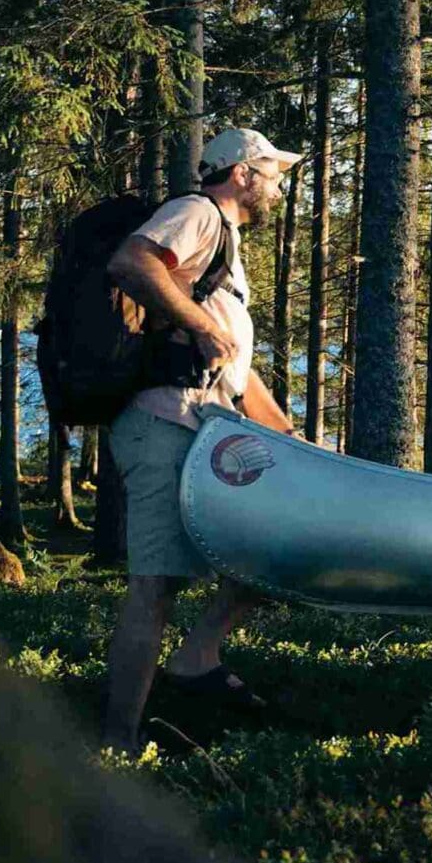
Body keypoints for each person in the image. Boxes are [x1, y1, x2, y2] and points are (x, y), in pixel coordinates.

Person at [99, 128, 302, 754]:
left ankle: (196, 657)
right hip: (164, 424)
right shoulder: (198, 213)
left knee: (271, 553)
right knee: (154, 589)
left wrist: (293, 441)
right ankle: (117, 744)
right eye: (272, 172)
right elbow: (131, 263)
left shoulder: (226, 246)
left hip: (206, 431)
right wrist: (199, 327)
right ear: (242, 173)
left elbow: (236, 362)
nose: (278, 185)